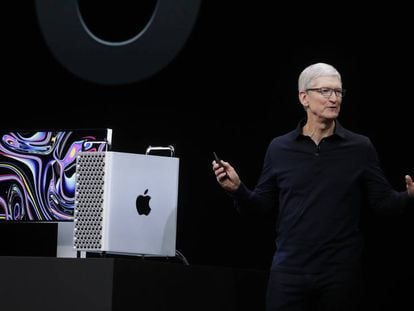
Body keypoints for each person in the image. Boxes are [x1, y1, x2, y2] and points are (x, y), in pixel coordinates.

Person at [212, 62, 414, 311]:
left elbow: (383, 204)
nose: (334, 99)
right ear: (304, 98)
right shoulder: (279, 148)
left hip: (340, 274)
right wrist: (238, 190)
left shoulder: (360, 148)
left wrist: (409, 196)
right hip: (289, 272)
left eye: (338, 92)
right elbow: (261, 207)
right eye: (326, 91)